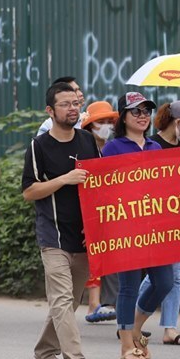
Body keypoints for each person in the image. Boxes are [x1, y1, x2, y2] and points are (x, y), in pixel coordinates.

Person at [22, 82, 98, 359]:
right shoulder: (38, 146)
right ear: (50, 111)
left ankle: (44, 353)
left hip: (83, 236)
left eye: (75, 103)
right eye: (65, 104)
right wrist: (64, 179)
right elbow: (29, 191)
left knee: (71, 299)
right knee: (62, 299)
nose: (72, 108)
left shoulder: (88, 141)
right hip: (53, 236)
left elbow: (100, 185)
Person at [104, 92, 173, 359]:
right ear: (123, 117)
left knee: (165, 282)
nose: (143, 116)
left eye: (146, 111)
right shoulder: (112, 148)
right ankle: (125, 347)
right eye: (136, 111)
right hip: (126, 227)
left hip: (154, 228)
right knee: (129, 285)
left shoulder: (155, 147)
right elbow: (104, 191)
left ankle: (134, 328)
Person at [138, 99, 180, 347]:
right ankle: (131, 321)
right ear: (178, 122)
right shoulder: (152, 146)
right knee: (160, 274)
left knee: (175, 275)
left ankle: (169, 328)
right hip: (157, 219)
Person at [78, 101, 119, 324]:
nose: (106, 127)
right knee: (92, 254)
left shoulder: (112, 149)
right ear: (89, 126)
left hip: (110, 208)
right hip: (87, 208)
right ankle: (93, 303)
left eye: (108, 122)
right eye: (100, 122)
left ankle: (103, 303)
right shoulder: (83, 149)